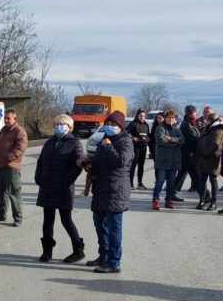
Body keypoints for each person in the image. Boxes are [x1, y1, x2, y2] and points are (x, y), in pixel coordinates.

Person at [79, 111, 133, 273]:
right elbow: (100, 161)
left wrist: (109, 147)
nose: (109, 127)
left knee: (114, 228)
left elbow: (120, 161)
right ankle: (103, 255)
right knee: (100, 225)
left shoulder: (125, 142)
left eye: (113, 125)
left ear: (120, 127)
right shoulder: (104, 140)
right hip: (101, 188)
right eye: (107, 124)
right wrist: (89, 165)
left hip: (116, 190)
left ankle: (114, 262)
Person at [35, 114, 85, 263]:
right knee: (47, 221)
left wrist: (66, 182)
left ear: (70, 128)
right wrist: (39, 178)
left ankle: (78, 250)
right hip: (47, 187)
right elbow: (41, 162)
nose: (58, 127)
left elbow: (78, 165)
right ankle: (47, 251)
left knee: (66, 220)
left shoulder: (74, 143)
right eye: (56, 124)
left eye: (62, 124)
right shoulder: (49, 142)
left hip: (63, 188)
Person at [0, 109, 28, 226]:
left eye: (8, 118)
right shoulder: (3, 130)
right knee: (0, 193)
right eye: (4, 118)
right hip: (0, 166)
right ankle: (1, 214)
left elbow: (21, 148)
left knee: (14, 193)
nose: (6, 120)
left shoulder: (19, 131)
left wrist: (8, 157)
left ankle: (18, 217)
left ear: (14, 119)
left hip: (11, 167)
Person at [152, 110, 184, 210]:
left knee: (171, 183)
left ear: (175, 119)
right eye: (169, 117)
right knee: (160, 181)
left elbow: (182, 140)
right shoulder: (160, 128)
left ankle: (168, 200)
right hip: (163, 160)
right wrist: (175, 142)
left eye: (172, 118)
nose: (171, 119)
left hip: (174, 161)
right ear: (165, 118)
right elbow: (160, 140)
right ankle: (155, 200)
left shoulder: (177, 129)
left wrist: (170, 139)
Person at [195, 113, 223, 210]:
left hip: (213, 160)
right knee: (202, 181)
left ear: (212, 121)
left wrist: (205, 153)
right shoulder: (209, 130)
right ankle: (202, 200)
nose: (205, 122)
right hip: (204, 160)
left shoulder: (218, 131)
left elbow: (216, 144)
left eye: (207, 120)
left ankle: (213, 202)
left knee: (213, 180)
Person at [175, 106, 201, 194]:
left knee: (182, 173)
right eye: (195, 112)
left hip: (187, 153)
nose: (196, 114)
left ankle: (172, 192)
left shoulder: (191, 123)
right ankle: (205, 195)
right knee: (196, 176)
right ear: (190, 113)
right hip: (188, 154)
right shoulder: (187, 124)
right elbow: (195, 138)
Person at [127, 109, 150, 190]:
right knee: (133, 165)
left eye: (143, 116)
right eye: (140, 116)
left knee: (141, 165)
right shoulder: (133, 124)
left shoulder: (146, 125)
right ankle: (130, 183)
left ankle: (139, 183)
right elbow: (126, 133)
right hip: (135, 147)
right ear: (137, 116)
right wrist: (133, 138)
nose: (142, 117)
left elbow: (148, 136)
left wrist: (147, 140)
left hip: (143, 147)